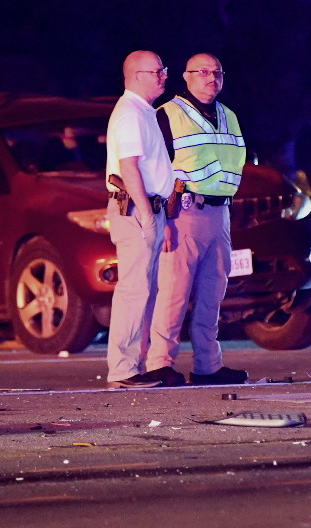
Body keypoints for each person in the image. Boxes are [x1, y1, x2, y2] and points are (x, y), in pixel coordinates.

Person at [145, 53, 249, 385]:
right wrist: (164, 220)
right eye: (202, 71)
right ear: (185, 77)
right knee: (174, 292)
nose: (210, 77)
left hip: (220, 214)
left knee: (212, 293)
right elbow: (153, 170)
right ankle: (159, 363)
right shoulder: (168, 115)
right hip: (183, 213)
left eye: (217, 72)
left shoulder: (229, 115)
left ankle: (208, 365)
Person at [105, 50, 177, 388]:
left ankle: (131, 366)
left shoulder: (141, 111)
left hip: (146, 208)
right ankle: (123, 370)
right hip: (136, 210)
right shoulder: (131, 113)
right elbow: (129, 167)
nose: (164, 75)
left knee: (141, 291)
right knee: (134, 291)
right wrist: (148, 217)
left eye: (163, 69)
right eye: (157, 71)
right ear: (136, 75)